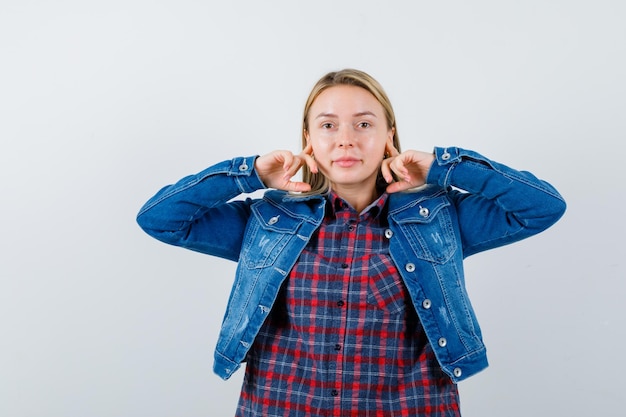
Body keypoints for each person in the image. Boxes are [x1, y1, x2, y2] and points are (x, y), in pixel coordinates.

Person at [136, 69, 566, 416]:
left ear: (388, 136)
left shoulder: (439, 216)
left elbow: (542, 206)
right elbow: (160, 219)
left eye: (364, 124)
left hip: (411, 408)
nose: (346, 138)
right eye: (328, 125)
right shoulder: (269, 219)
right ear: (309, 140)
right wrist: (248, 173)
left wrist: (446, 168)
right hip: (281, 406)